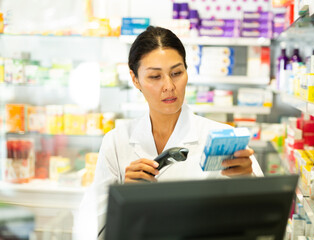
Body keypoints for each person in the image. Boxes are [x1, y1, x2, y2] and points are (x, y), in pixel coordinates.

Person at [74, 26, 263, 240]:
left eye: (176, 73)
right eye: (155, 76)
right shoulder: (117, 142)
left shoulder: (222, 137)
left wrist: (248, 179)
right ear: (135, 79)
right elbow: (89, 228)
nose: (169, 86)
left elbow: (263, 219)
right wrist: (123, 197)